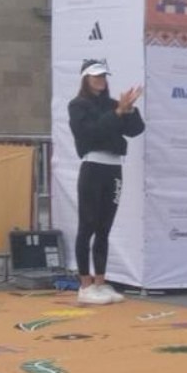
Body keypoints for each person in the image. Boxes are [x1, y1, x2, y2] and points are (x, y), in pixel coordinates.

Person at [67, 59, 144, 305]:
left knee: (104, 227)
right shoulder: (77, 105)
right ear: (85, 79)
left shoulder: (114, 105)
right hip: (92, 166)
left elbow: (135, 130)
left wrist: (129, 109)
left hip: (114, 168)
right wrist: (118, 113)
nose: (100, 80)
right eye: (95, 76)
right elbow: (90, 133)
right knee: (87, 226)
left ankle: (100, 282)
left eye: (103, 76)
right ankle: (85, 284)